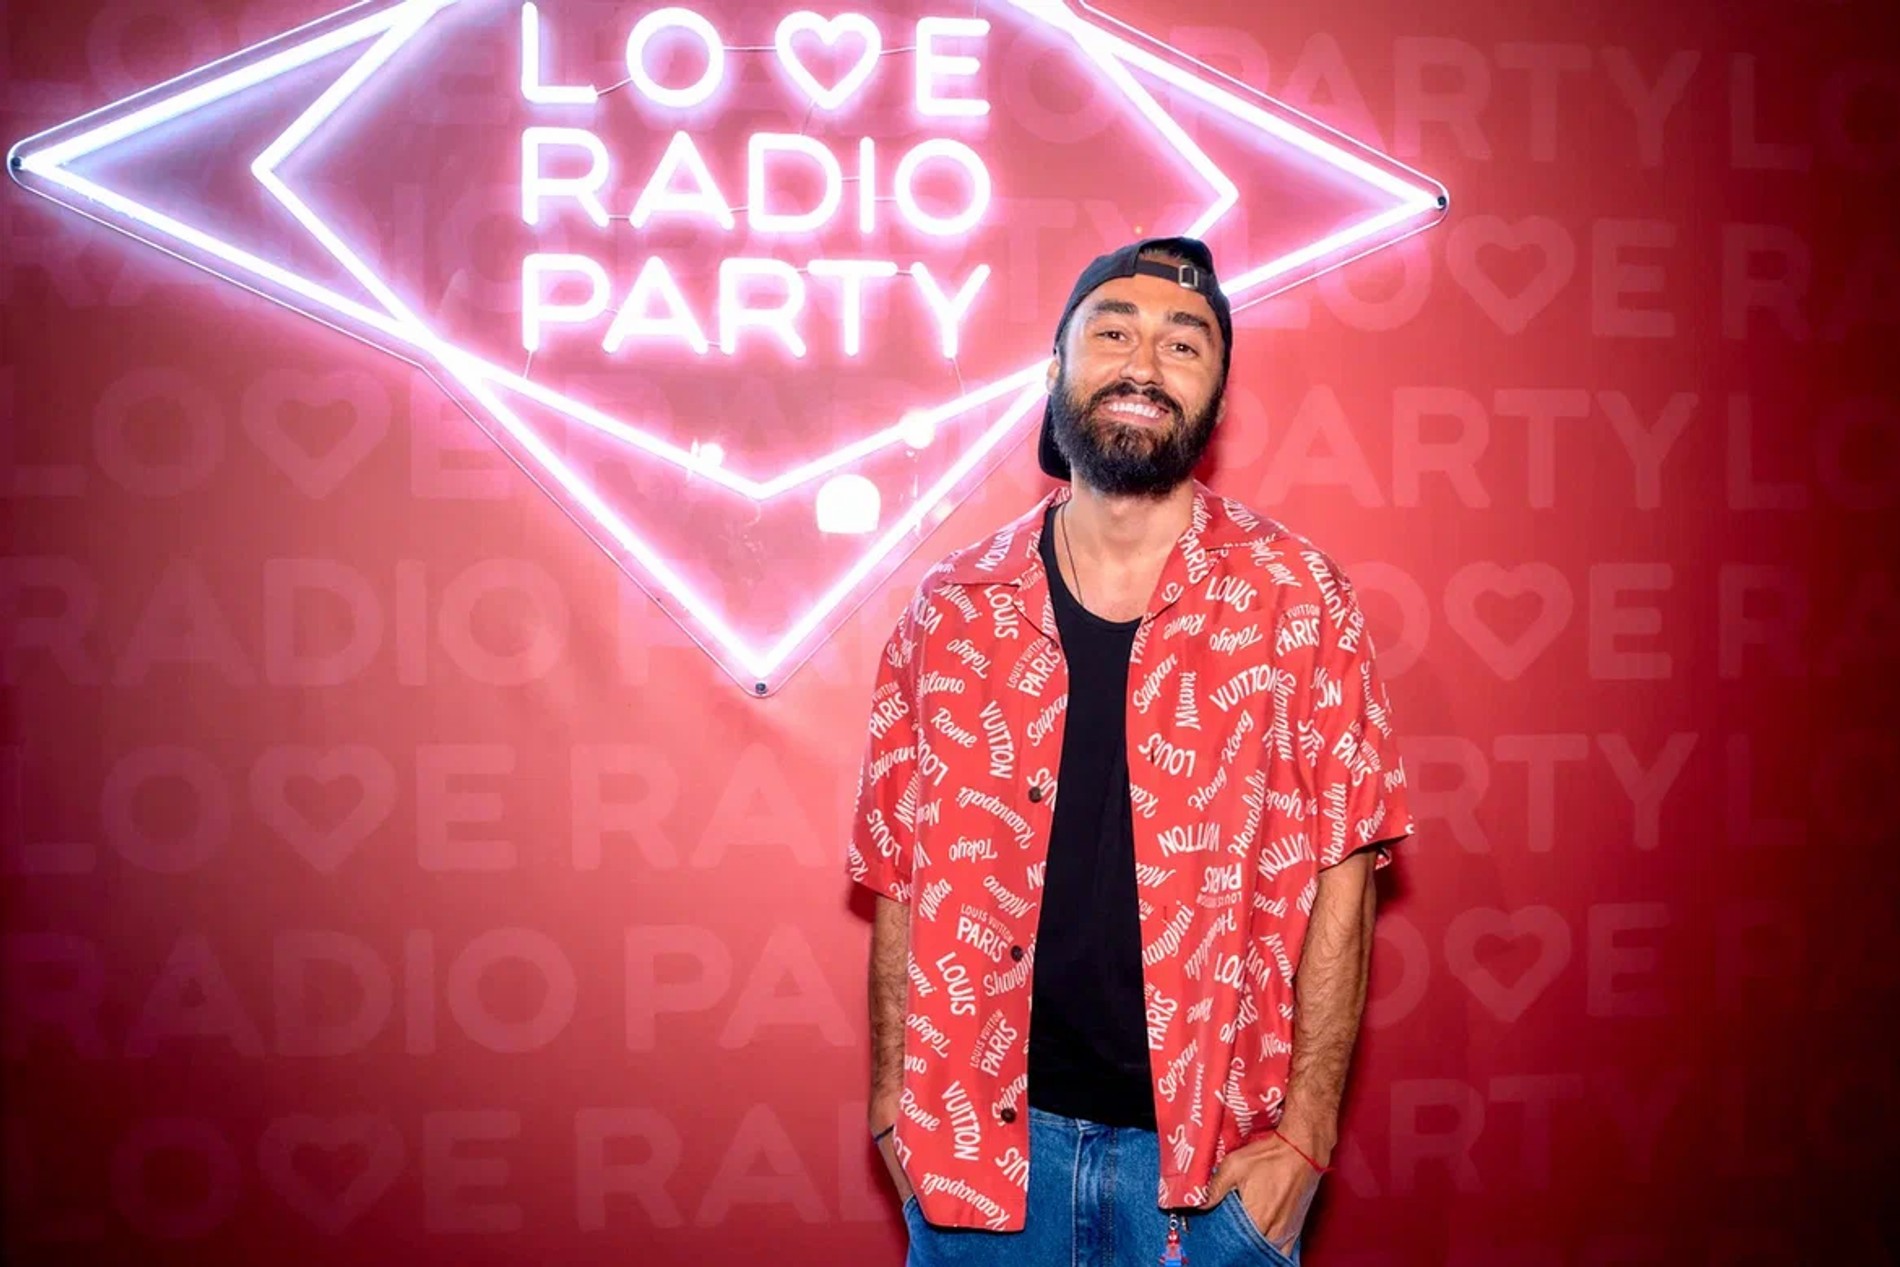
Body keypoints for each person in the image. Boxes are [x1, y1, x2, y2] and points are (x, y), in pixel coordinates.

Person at [847, 236, 1415, 1266]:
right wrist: (894, 1099)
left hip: (1212, 1171)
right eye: (1112, 333)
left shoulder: (1298, 600)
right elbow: (898, 869)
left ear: (1217, 400)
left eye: (1183, 344)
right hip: (977, 1163)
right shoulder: (951, 609)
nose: (1144, 364)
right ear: (1054, 371)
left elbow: (1347, 868)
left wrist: (1307, 1133)